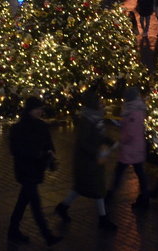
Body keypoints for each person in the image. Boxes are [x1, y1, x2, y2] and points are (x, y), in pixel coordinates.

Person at [55, 91, 116, 231]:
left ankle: (63, 207)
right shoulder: (87, 120)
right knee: (97, 189)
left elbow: (99, 135)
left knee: (83, 187)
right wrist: (97, 152)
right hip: (87, 160)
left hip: (93, 160)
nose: (101, 102)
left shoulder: (95, 117)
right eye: (98, 100)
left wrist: (109, 142)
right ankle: (103, 219)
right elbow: (83, 142)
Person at [7, 96, 62, 246]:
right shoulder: (19, 128)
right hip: (26, 170)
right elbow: (16, 150)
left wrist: (51, 156)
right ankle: (47, 235)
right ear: (30, 110)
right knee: (36, 205)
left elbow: (48, 145)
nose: (40, 111)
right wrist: (38, 154)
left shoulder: (41, 126)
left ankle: (13, 231)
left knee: (23, 201)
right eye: (38, 109)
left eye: (41, 109)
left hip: (37, 169)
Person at [109, 86, 150, 208]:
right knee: (139, 172)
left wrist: (122, 141)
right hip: (136, 147)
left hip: (130, 148)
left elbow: (131, 131)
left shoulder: (132, 111)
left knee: (119, 172)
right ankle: (144, 197)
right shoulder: (136, 108)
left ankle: (109, 196)